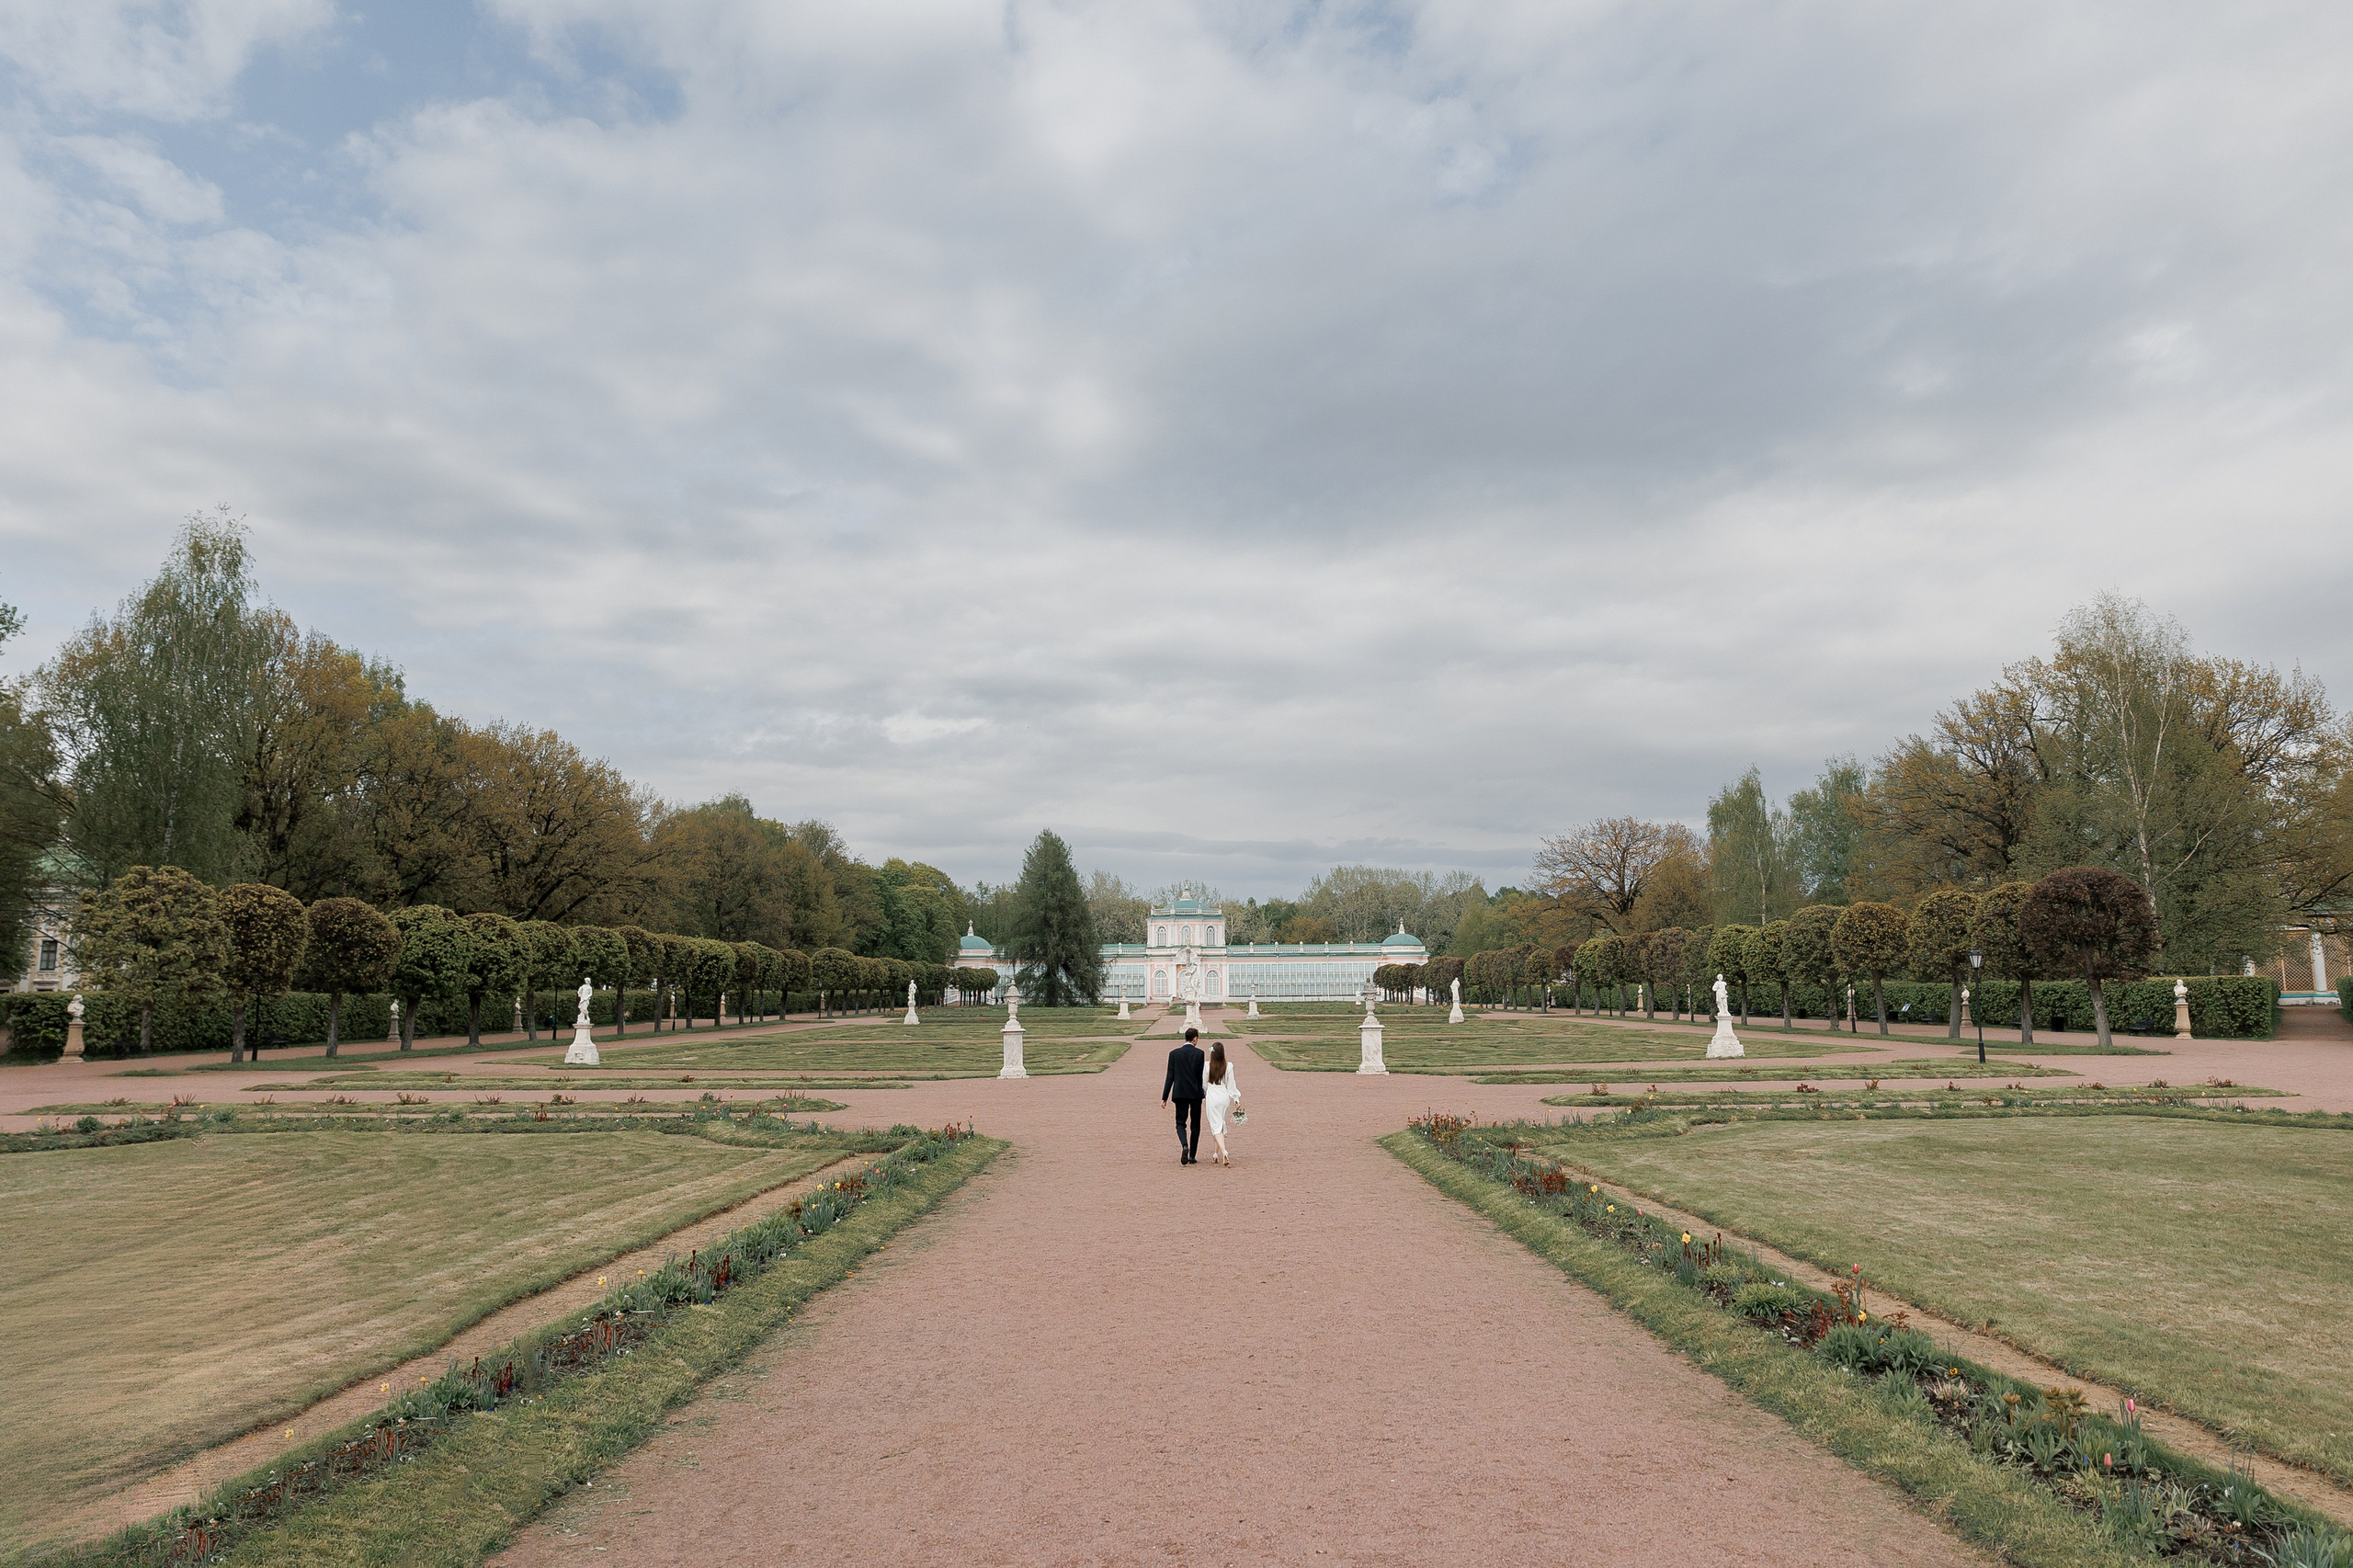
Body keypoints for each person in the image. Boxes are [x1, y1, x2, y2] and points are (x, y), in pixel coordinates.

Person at [1163, 1026, 1207, 1165]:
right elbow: (1201, 1076)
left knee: (1180, 1123)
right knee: (1195, 1124)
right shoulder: (1200, 1053)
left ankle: (1184, 1145)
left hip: (1180, 1092)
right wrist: (1203, 1090)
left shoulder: (1174, 1054)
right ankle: (1192, 1156)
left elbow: (1170, 1077)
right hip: (1195, 1093)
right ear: (1195, 1039)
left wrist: (1164, 1097)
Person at [1201, 1040, 1242, 1166]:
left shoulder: (1206, 1066)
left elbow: (1203, 1083)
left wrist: (1205, 1093)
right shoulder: (1228, 1066)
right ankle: (1215, 1154)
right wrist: (1236, 1099)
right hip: (1224, 1097)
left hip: (1212, 1096)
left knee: (1215, 1126)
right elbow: (1231, 1085)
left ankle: (1224, 1151)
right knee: (1219, 1124)